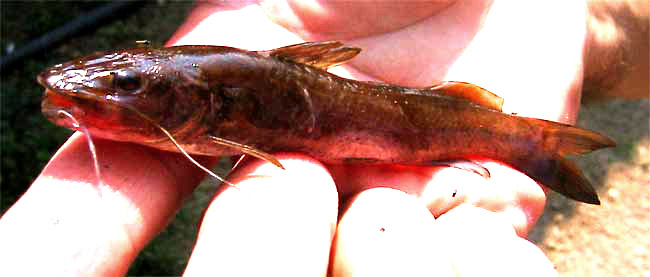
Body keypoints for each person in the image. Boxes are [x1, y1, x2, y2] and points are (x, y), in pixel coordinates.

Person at [1, 1, 645, 275]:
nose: (96, 96)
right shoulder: (202, 93)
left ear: (208, 104)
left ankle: (530, 144)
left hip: (423, 119)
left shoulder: (221, 98)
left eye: (127, 84)